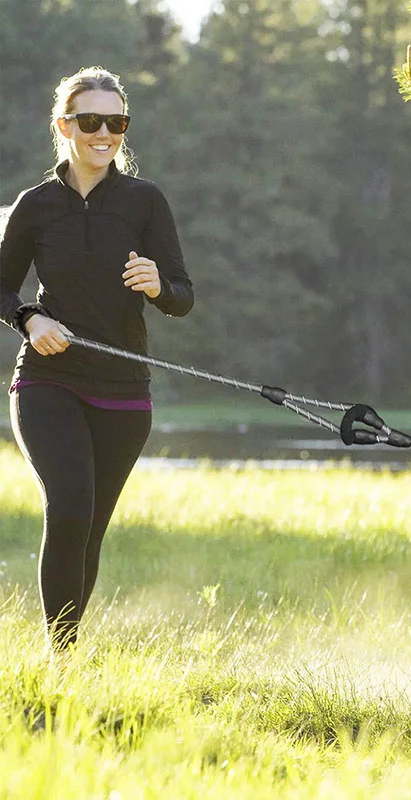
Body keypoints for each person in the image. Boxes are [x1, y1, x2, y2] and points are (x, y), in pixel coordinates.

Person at [0, 66, 193, 653]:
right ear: (65, 126)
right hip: (47, 381)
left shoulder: (144, 200)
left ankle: (68, 652)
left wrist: (158, 285)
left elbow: (182, 298)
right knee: (70, 506)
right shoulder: (36, 206)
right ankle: (61, 660)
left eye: (116, 121)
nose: (104, 132)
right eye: (91, 121)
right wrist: (31, 319)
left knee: (91, 529)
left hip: (123, 390)